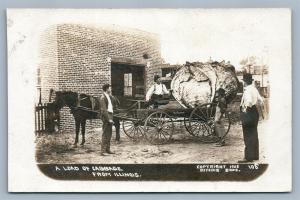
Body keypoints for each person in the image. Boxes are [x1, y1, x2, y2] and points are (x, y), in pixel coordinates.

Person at [238, 73, 264, 163]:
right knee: (253, 134)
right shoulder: (254, 89)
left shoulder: (247, 90)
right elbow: (261, 100)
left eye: (243, 81)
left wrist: (245, 111)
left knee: (248, 135)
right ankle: (253, 156)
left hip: (248, 113)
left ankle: (248, 157)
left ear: (245, 82)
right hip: (254, 112)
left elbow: (248, 101)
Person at [99, 84, 115, 156]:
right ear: (106, 89)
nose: (110, 89)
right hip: (106, 117)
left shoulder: (108, 96)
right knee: (105, 133)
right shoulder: (102, 97)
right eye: (109, 88)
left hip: (110, 115)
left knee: (109, 133)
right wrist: (109, 119)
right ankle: (102, 151)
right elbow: (104, 110)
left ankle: (108, 149)